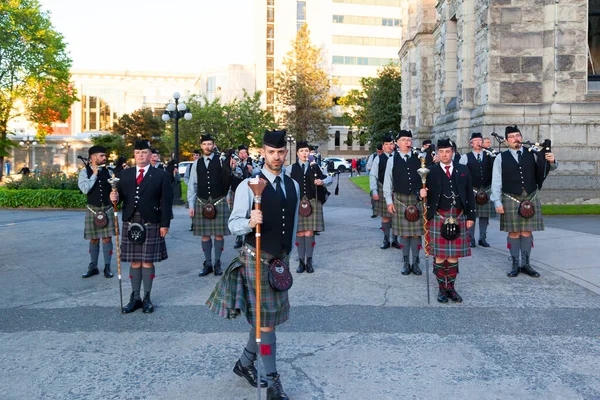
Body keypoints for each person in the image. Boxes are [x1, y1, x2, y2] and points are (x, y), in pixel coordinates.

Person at [206, 129, 299, 400]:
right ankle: (273, 382)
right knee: (267, 324)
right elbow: (232, 224)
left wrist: (288, 253)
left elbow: (291, 226)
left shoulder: (292, 185)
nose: (277, 157)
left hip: (279, 261)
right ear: (263, 152)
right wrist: (249, 222)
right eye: (272, 152)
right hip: (256, 258)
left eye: (281, 152)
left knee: (263, 320)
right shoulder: (250, 184)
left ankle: (245, 363)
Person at [109, 139, 173, 314]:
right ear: (134, 155)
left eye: (144, 152)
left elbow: (166, 203)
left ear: (150, 155)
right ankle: (135, 297)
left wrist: (165, 224)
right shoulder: (125, 174)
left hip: (151, 222)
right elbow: (120, 197)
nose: (140, 155)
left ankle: (147, 297)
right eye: (137, 153)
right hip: (130, 222)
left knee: (147, 261)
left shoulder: (161, 175)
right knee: (135, 261)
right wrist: (114, 197)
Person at [490, 125, 557, 278]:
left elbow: (546, 168)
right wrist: (497, 202)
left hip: (530, 197)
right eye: (512, 137)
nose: (516, 139)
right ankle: (515, 263)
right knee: (514, 232)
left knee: (527, 232)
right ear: (507, 141)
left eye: (518, 135)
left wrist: (552, 161)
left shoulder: (532, 153)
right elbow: (496, 181)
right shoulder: (501, 158)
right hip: (510, 198)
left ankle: (526, 263)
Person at [421, 138, 476, 303]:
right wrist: (420, 194)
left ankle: (451, 287)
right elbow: (422, 193)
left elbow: (469, 194)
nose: (444, 155)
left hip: (459, 216)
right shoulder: (430, 171)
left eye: (447, 151)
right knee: (439, 256)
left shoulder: (463, 169)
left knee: (452, 257)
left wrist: (471, 216)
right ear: (437, 153)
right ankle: (441, 289)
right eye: (441, 152)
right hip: (439, 216)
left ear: (453, 152)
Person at [187, 134, 237, 277]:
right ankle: (207, 263)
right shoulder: (196, 164)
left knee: (219, 234)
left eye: (210, 144)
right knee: (205, 234)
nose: (207, 147)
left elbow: (227, 180)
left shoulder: (221, 161)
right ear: (201, 146)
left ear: (213, 145)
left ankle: (217, 262)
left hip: (219, 200)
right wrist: (191, 205)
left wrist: (227, 197)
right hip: (202, 201)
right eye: (204, 144)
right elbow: (192, 185)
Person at [383, 130, 425, 275]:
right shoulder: (392, 160)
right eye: (404, 140)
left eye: (409, 140)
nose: (407, 143)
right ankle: (406, 262)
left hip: (417, 201)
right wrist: (389, 201)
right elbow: (388, 183)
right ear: (397, 143)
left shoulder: (420, 158)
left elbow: (426, 179)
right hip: (400, 200)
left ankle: (416, 263)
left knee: (416, 234)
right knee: (404, 234)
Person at [289, 141, 333, 273]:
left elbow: (329, 179)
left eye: (307, 151)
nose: (304, 153)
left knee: (309, 232)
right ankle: (300, 262)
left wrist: (322, 181)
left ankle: (309, 261)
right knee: (299, 233)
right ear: (297, 153)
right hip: (297, 203)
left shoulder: (316, 167)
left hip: (312, 202)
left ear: (310, 153)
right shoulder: (290, 168)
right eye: (302, 151)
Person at [78, 146, 115, 279]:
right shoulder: (84, 173)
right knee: (93, 239)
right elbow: (85, 189)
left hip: (107, 208)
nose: (104, 158)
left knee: (107, 238)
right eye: (101, 156)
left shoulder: (110, 172)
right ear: (93, 157)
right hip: (93, 209)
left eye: (105, 156)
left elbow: (115, 188)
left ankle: (107, 266)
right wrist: (94, 175)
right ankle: (93, 266)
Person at [459, 132, 496, 247]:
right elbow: (461, 174)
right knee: (472, 214)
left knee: (484, 216)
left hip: (486, 189)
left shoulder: (489, 156)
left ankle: (482, 238)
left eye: (480, 140)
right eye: (476, 141)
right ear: (471, 143)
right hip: (472, 190)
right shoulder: (465, 157)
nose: (479, 142)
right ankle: (471, 239)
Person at [369, 135, 400, 249]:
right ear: (383, 146)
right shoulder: (378, 158)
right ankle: (386, 239)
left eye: (391, 144)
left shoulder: (398, 157)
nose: (389, 146)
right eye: (386, 144)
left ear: (394, 145)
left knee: (397, 216)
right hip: (382, 188)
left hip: (396, 190)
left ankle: (395, 239)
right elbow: (373, 175)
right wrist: (374, 191)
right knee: (386, 217)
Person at [230, 144, 260, 249]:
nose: (243, 154)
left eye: (244, 152)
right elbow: (234, 175)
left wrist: (251, 170)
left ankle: (248, 236)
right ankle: (238, 238)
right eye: (241, 152)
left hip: (251, 190)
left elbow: (259, 173)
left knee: (249, 214)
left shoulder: (253, 162)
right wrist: (233, 168)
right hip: (237, 191)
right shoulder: (235, 162)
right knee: (239, 214)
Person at [184, 149, 201, 231]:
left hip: (200, 189)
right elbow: (186, 177)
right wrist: (189, 184)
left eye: (197, 155)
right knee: (192, 206)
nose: (195, 156)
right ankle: (193, 223)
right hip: (192, 188)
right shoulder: (189, 166)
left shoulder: (202, 164)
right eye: (194, 155)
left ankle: (199, 222)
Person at [366, 144, 384, 218]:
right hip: (375, 177)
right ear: (376, 150)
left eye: (381, 152)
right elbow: (368, 166)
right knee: (374, 194)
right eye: (378, 152)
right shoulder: (373, 156)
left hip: (382, 178)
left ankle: (383, 212)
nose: (380, 153)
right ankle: (374, 211)